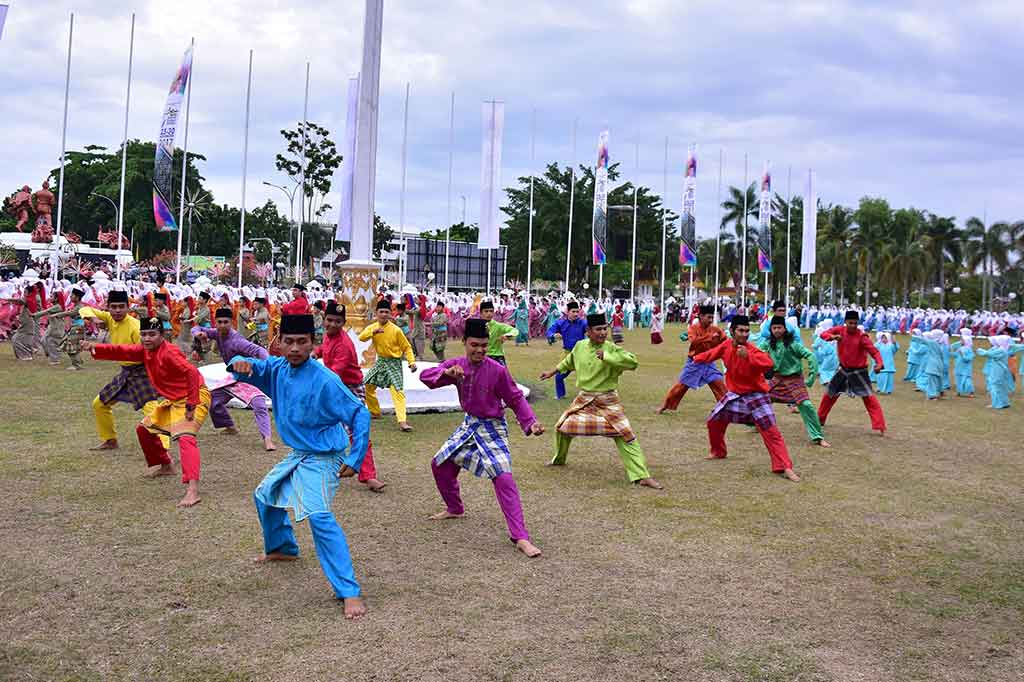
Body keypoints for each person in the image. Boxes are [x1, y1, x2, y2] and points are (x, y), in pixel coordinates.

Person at [228, 314, 370, 619]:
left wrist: (355, 458)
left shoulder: (325, 380)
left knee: (318, 515)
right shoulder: (277, 368)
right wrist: (239, 362)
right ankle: (283, 548)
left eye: (302, 342)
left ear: (313, 344)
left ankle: (349, 591)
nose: (294, 348)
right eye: (288, 341)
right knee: (264, 495)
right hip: (300, 453)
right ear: (279, 343)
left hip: (326, 455)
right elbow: (251, 366)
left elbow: (360, 413)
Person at [420, 318, 545, 557]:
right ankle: (455, 508)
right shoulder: (456, 365)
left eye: (484, 345)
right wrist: (445, 372)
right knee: (439, 464)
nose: (479, 350)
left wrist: (531, 422)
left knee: (504, 478)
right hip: (470, 424)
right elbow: (426, 377)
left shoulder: (497, 370)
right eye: (474, 345)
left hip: (493, 427)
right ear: (464, 342)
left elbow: (515, 397)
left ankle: (520, 537)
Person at [81, 315, 211, 508]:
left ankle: (193, 491)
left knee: (185, 438)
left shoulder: (169, 352)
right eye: (144, 334)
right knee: (144, 429)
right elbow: (122, 350)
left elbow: (191, 372)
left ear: (162, 335)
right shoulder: (145, 350)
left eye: (152, 334)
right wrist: (95, 347)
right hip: (174, 399)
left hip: (195, 395)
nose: (147, 338)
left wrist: (192, 404)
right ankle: (166, 465)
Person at [540, 313, 662, 489]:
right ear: (588, 331)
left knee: (625, 434)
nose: (603, 332)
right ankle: (559, 460)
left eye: (605, 329)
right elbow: (568, 362)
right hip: (585, 399)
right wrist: (551, 372)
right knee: (562, 427)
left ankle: (641, 475)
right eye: (598, 329)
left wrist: (607, 357)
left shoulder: (611, 348)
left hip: (608, 400)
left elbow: (632, 363)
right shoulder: (580, 346)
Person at [692, 315, 801, 481]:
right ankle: (718, 451)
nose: (744, 334)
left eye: (747, 331)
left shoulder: (751, 349)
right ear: (732, 331)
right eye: (741, 331)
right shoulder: (726, 346)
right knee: (714, 421)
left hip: (757, 395)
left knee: (771, 431)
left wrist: (748, 356)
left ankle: (784, 467)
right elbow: (711, 354)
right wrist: (696, 359)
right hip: (735, 395)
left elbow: (768, 363)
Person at [314, 301, 386, 492]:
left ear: (343, 323)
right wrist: (315, 352)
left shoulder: (344, 345)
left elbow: (334, 374)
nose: (333, 324)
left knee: (358, 431)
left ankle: (369, 476)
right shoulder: (328, 335)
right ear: (324, 319)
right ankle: (320, 468)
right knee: (321, 426)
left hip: (350, 390)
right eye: (330, 320)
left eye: (338, 321)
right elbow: (324, 349)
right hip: (334, 386)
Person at [80, 290, 163, 451]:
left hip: (142, 372)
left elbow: (145, 353)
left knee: (152, 411)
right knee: (99, 404)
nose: (117, 310)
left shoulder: (136, 327)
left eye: (121, 307)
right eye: (114, 307)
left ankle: (163, 448)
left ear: (128, 307)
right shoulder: (109, 318)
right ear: (108, 308)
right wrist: (93, 318)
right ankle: (110, 440)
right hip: (126, 372)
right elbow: (84, 309)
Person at [191, 308, 277, 450]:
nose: (222, 325)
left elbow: (258, 350)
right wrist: (198, 334)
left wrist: (269, 364)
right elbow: (196, 327)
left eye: (226, 322)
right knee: (214, 400)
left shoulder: (237, 341)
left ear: (231, 323)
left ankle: (267, 439)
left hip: (250, 375)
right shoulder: (217, 333)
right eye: (220, 322)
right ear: (215, 323)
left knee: (259, 404)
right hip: (234, 377)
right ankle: (229, 426)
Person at [756, 316, 829, 448]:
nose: (777, 330)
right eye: (774, 328)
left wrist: (811, 377)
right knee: (760, 399)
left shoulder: (792, 344)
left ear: (785, 329)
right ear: (770, 329)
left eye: (779, 327)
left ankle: (818, 436)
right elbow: (755, 353)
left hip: (794, 379)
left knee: (806, 405)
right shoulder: (767, 343)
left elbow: (810, 355)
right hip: (777, 379)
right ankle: (756, 424)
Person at [817, 311, 887, 436]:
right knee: (829, 394)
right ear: (845, 322)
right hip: (843, 370)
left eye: (855, 323)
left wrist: (879, 363)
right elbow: (823, 334)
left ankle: (880, 425)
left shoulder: (862, 337)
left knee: (869, 397)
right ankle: (819, 420)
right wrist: (832, 337)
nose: (853, 326)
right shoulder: (840, 330)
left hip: (858, 371)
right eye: (850, 323)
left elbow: (874, 352)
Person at [657, 304, 727, 414]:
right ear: (701, 316)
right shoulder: (693, 328)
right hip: (694, 362)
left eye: (712, 317)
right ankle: (665, 406)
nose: (711, 320)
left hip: (709, 362)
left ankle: (727, 408)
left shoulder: (715, 329)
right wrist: (709, 337)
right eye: (708, 317)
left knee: (719, 384)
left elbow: (725, 341)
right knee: (681, 386)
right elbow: (693, 341)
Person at [360, 299, 418, 432]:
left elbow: (407, 347)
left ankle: (402, 421)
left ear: (390, 314)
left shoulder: (396, 330)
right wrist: (373, 333)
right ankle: (375, 412)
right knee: (367, 384)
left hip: (394, 364)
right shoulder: (373, 327)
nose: (384, 314)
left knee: (397, 391)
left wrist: (412, 362)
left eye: (386, 312)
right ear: (376, 313)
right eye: (381, 312)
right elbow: (361, 337)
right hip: (381, 362)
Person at [545, 301, 588, 400]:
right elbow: (550, 331)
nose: (576, 314)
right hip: (567, 354)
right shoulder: (561, 323)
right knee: (559, 376)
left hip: (581, 353)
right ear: (568, 312)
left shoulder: (582, 322)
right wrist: (552, 335)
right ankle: (560, 395)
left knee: (586, 376)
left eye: (577, 312)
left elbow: (591, 329)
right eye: (573, 311)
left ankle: (590, 395)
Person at [479, 300, 518, 366]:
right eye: (486, 311)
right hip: (481, 356)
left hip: (497, 356)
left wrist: (507, 335)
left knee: (503, 372)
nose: (489, 313)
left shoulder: (498, 326)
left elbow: (514, 331)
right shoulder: (476, 326)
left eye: (491, 311)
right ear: (481, 313)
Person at [950, 329, 976, 397]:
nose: (960, 341)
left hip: (965, 368)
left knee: (967, 380)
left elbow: (969, 358)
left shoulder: (969, 349)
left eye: (962, 340)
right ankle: (959, 391)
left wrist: (962, 354)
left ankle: (971, 392)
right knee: (958, 379)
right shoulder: (960, 348)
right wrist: (949, 353)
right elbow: (956, 355)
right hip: (958, 366)